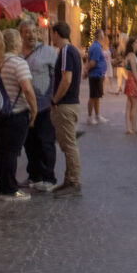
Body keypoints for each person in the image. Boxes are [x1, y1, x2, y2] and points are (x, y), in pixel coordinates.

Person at [0, 29, 38, 201]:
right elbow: (27, 89)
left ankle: (2, 187)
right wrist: (34, 109)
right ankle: (10, 190)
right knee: (11, 152)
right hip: (16, 115)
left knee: (0, 151)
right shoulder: (19, 63)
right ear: (16, 43)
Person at [19, 20, 58, 193]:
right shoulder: (17, 54)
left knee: (45, 141)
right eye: (27, 31)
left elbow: (56, 75)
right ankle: (34, 175)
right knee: (29, 142)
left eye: (34, 31)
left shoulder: (48, 51)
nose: (31, 35)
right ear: (21, 34)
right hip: (24, 106)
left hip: (43, 105)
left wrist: (53, 96)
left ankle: (49, 177)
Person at [50, 21, 82, 198]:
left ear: (56, 33)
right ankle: (69, 179)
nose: (51, 37)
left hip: (65, 104)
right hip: (71, 103)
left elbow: (66, 79)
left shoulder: (65, 52)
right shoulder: (74, 51)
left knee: (69, 145)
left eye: (52, 34)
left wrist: (55, 99)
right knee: (68, 144)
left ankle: (74, 181)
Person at [85, 28, 108, 125]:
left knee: (97, 96)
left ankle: (97, 116)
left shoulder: (96, 46)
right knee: (93, 96)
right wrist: (86, 71)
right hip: (95, 75)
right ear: (101, 36)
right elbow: (93, 62)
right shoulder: (97, 47)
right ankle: (90, 117)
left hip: (97, 75)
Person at [122, 37, 137, 134]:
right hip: (133, 80)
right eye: (136, 42)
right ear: (132, 44)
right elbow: (134, 71)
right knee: (134, 105)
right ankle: (133, 127)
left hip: (130, 80)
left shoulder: (130, 55)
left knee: (129, 105)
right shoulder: (132, 55)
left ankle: (128, 128)